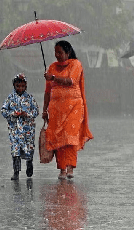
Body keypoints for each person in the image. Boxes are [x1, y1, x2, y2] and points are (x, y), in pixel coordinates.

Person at [42, 40, 93, 180]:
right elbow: (47, 92)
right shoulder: (51, 67)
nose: (57, 55)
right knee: (58, 139)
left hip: (74, 108)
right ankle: (62, 169)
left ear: (68, 52)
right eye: (55, 52)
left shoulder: (76, 64)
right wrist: (44, 110)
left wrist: (53, 78)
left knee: (70, 138)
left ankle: (70, 167)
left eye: (60, 52)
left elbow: (71, 81)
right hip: (56, 109)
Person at [1, 73, 39, 180]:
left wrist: (27, 114)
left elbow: (36, 111)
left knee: (29, 148)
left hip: (28, 130)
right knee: (15, 150)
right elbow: (3, 110)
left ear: (26, 86)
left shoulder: (30, 98)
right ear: (14, 85)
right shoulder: (10, 98)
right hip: (15, 129)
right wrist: (12, 114)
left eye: (23, 86)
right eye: (18, 86)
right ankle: (16, 172)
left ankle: (29, 164)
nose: (20, 88)